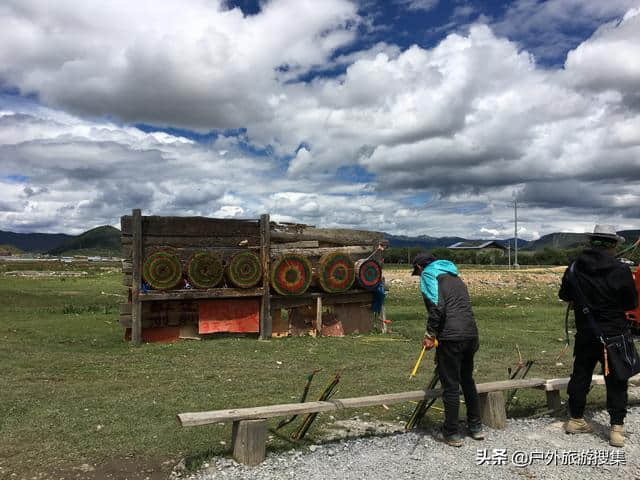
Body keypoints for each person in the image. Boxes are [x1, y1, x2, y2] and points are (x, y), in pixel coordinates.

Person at [559, 224, 638, 447]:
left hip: (586, 332)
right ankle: (616, 430)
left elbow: (564, 294)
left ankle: (575, 419)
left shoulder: (574, 267)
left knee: (580, 374)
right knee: (616, 381)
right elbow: (630, 303)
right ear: (613, 245)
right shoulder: (621, 270)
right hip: (614, 334)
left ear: (591, 243)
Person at [412, 253, 483, 446]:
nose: (419, 277)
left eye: (417, 273)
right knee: (467, 380)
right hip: (470, 334)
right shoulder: (454, 275)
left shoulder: (428, 274)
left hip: (451, 338)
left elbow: (437, 307)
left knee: (451, 385)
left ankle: (451, 432)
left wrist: (430, 335)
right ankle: (475, 426)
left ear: (419, 268)